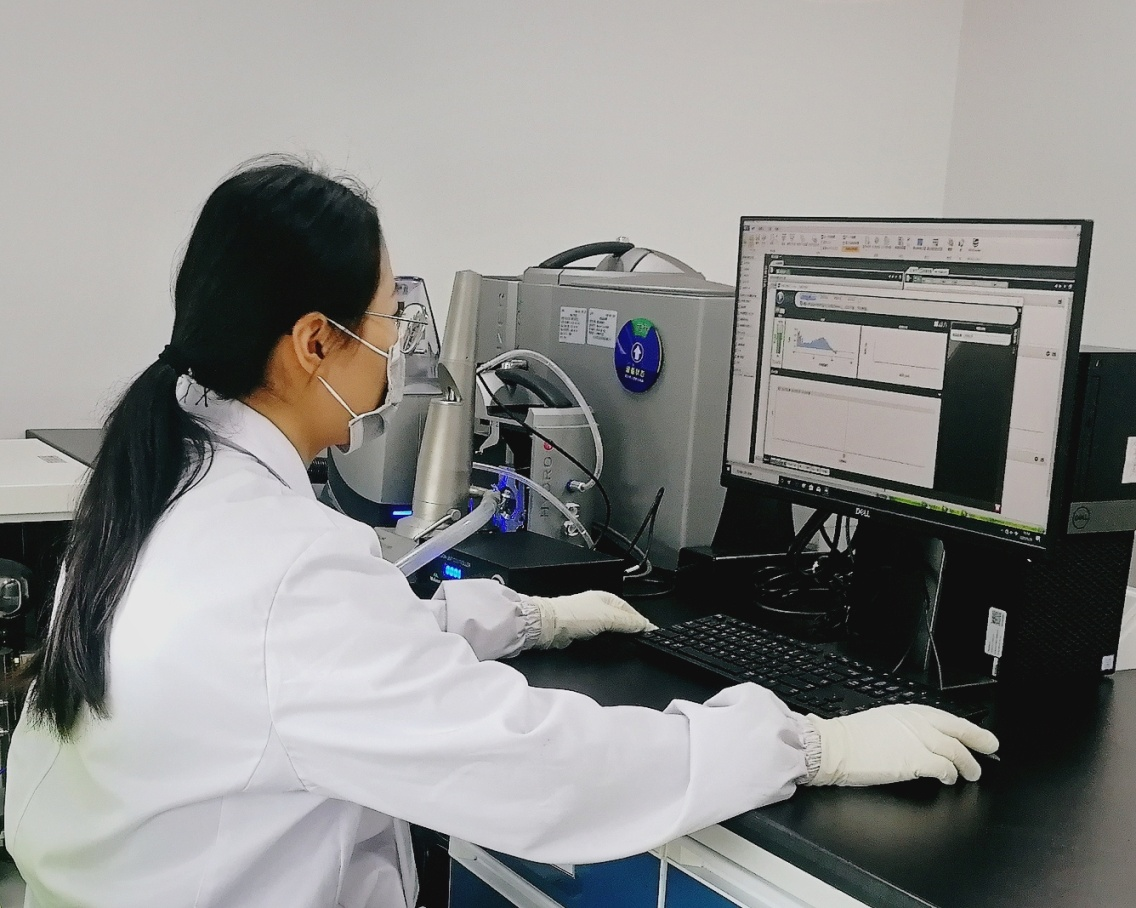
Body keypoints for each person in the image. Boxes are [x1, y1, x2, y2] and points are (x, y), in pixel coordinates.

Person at [6, 158, 998, 908]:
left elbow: (319, 667)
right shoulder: (276, 567)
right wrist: (806, 743)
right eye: (387, 322)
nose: (395, 349)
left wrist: (526, 617)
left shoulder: (159, 481)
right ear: (313, 342)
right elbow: (540, 769)